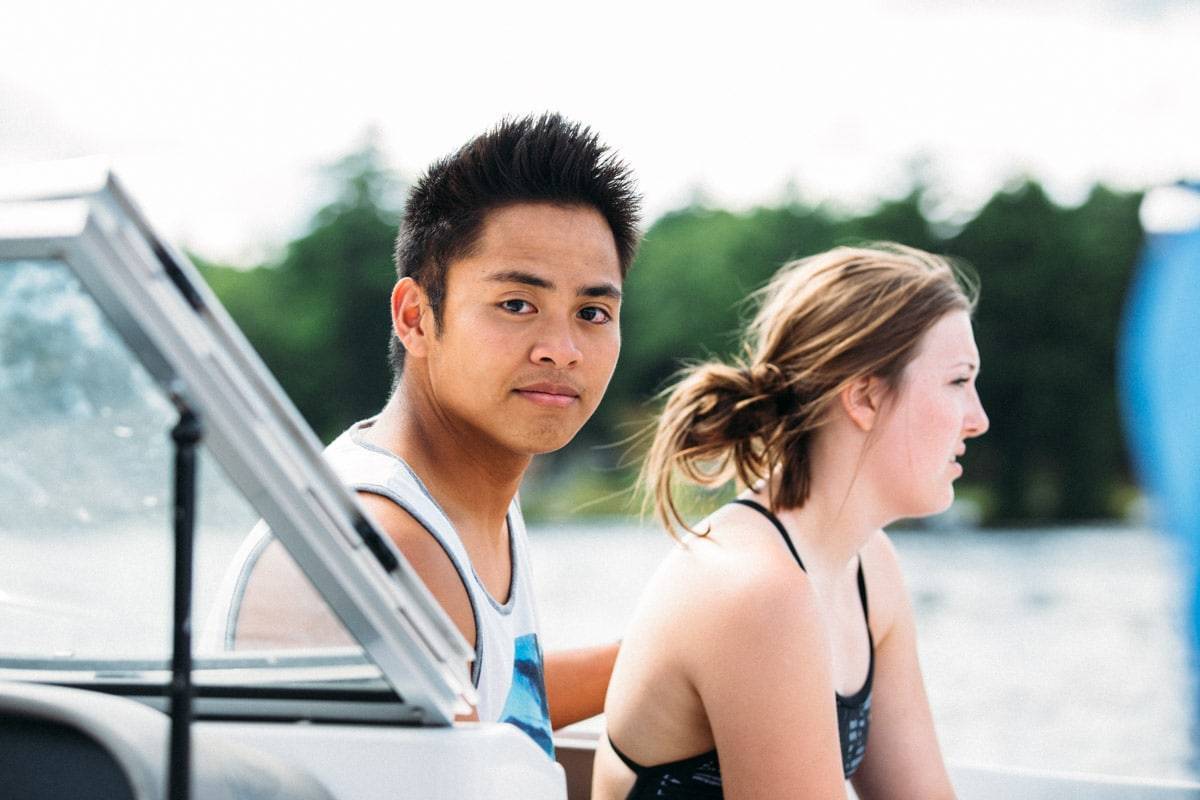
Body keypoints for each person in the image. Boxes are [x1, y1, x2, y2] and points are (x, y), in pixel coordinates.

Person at [207, 113, 641, 759]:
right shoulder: (391, 540)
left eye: (592, 312)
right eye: (517, 304)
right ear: (415, 317)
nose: (562, 349)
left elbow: (490, 695)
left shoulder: (461, 495)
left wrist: (674, 646)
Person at [593, 244, 987, 798]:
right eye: (958, 382)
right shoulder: (757, 589)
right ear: (865, 398)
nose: (978, 419)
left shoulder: (871, 567)